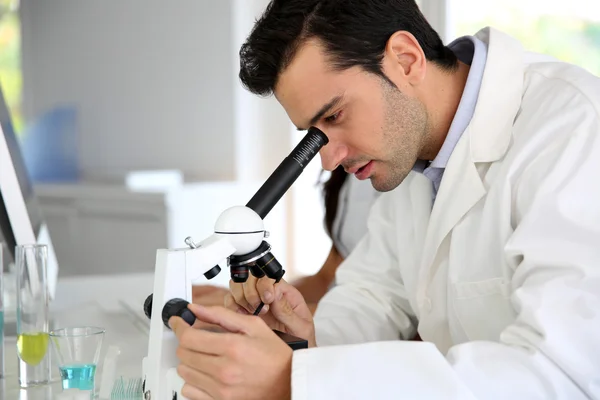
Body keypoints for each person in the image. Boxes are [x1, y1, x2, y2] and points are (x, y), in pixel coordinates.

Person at [168, 1, 600, 399]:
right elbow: (370, 297)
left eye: (334, 116)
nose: (328, 159)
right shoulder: (414, 156)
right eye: (312, 134)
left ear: (405, 60)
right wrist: (298, 341)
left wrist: (295, 381)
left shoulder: (575, 130)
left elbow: (559, 373)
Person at [191, 166, 381, 314]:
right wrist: (259, 302)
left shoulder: (395, 179)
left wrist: (273, 316)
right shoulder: (345, 176)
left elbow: (386, 313)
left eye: (333, 117)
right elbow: (327, 278)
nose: (326, 158)